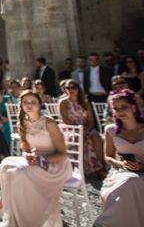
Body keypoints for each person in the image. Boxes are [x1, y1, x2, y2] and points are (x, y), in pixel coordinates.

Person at [0, 90, 72, 227]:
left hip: (55, 164)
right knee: (6, 166)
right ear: (21, 105)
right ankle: (17, 217)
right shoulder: (23, 123)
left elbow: (63, 154)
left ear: (39, 105)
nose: (29, 105)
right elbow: (25, 149)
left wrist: (41, 159)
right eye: (26, 102)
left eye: (33, 102)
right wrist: (28, 156)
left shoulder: (49, 123)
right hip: (36, 160)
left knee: (20, 173)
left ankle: (32, 221)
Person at [95, 89, 144, 227]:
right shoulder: (110, 130)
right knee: (130, 180)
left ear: (133, 107)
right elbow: (108, 157)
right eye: (115, 109)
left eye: (124, 107)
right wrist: (121, 163)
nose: (120, 111)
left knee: (133, 181)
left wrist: (142, 167)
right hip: (123, 172)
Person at [58, 79, 107, 178]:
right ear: (65, 90)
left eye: (73, 87)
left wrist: (86, 130)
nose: (71, 90)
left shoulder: (84, 102)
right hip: (69, 128)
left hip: (85, 127)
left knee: (95, 136)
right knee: (77, 137)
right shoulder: (63, 102)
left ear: (78, 89)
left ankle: (101, 167)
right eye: (68, 88)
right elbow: (66, 120)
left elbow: (91, 121)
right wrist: (79, 131)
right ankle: (82, 169)